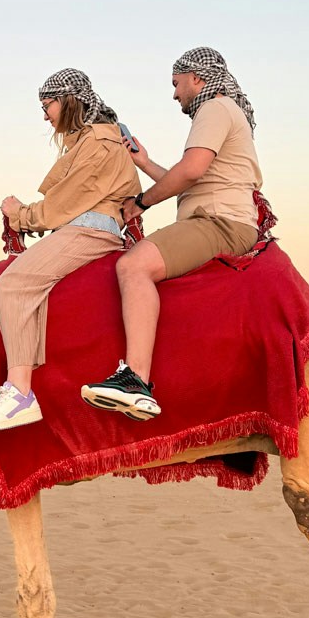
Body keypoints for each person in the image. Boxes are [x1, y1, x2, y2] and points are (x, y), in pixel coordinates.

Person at [80, 46, 262, 421]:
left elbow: (191, 170)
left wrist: (141, 203)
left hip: (219, 222)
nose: (174, 93)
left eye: (177, 84)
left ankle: (135, 380)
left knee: (134, 266)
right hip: (213, 214)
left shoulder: (214, 108)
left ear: (197, 79)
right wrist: (144, 162)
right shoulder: (225, 112)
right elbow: (190, 184)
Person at [0, 69, 143, 432]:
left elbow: (62, 206)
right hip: (85, 227)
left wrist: (19, 214)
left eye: (47, 104)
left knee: (12, 285)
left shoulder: (98, 143)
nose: (44, 113)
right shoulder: (93, 141)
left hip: (90, 231)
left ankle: (18, 393)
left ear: (68, 101)